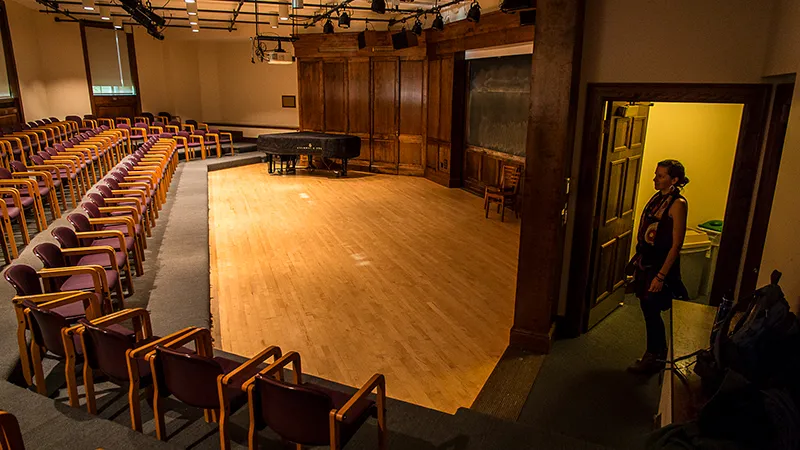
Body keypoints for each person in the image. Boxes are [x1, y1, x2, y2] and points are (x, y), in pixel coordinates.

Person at [627, 159, 690, 374]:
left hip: (661, 265)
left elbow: (676, 244)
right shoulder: (658, 198)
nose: (655, 178)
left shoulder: (678, 204)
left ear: (674, 180)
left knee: (652, 308)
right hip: (648, 261)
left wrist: (661, 275)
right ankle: (657, 352)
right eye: (656, 174)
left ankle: (654, 355)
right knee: (647, 307)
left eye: (661, 176)